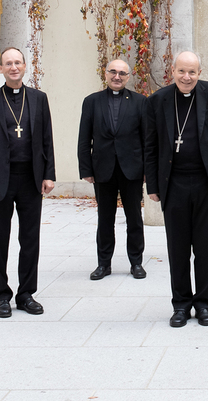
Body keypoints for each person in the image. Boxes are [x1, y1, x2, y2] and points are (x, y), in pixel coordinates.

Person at [145, 51, 208, 328]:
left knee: (206, 247)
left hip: (207, 183)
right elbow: (150, 145)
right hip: (173, 185)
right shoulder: (158, 100)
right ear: (172, 71)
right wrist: (152, 184)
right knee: (178, 248)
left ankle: (204, 304)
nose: (187, 77)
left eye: (192, 72)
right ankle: (181, 304)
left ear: (200, 72)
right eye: (182, 71)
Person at [0, 47, 55, 318]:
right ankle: (1, 296)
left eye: (18, 62)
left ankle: (26, 293)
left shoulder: (39, 98)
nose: (14, 67)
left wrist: (49, 174)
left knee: (30, 238)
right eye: (8, 63)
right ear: (1, 68)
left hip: (30, 178)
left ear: (25, 65)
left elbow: (46, 139)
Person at [77, 59, 147, 281]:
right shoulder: (91, 102)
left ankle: (136, 262)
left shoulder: (140, 102)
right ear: (105, 74)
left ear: (128, 77)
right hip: (103, 169)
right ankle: (103, 264)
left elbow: (147, 139)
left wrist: (147, 169)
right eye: (113, 72)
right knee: (104, 218)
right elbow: (83, 138)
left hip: (132, 169)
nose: (117, 77)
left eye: (122, 73)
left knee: (134, 218)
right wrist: (85, 168)